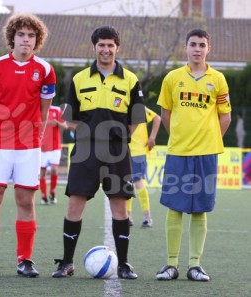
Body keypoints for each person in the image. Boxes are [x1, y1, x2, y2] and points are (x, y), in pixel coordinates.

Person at [51, 25, 145, 279]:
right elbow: (68, 118)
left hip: (116, 152)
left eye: (110, 44)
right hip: (86, 151)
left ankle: (124, 264)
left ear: (117, 47)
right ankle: (66, 263)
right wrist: (87, 132)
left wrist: (122, 136)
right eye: (101, 45)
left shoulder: (130, 79)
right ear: (95, 47)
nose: (106, 49)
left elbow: (137, 117)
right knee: (74, 206)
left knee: (120, 208)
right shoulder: (80, 78)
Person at [0, 13, 56, 277]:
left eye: (31, 35)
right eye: (21, 34)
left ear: (37, 40)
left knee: (26, 200)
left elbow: (44, 110)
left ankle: (25, 260)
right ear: (12, 37)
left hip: (29, 146)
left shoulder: (45, 69)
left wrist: (34, 134)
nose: (25, 39)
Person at [155, 29, 231, 282]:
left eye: (202, 45)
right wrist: (179, 136)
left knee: (200, 209)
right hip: (178, 152)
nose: (197, 49)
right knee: (174, 208)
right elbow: (165, 114)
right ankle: (171, 264)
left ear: (208, 48)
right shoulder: (172, 78)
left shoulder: (218, 79)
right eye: (193, 44)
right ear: (185, 48)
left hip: (206, 154)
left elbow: (225, 116)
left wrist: (208, 140)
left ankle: (195, 265)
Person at [127, 107, 161, 228]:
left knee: (137, 182)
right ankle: (128, 216)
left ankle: (147, 216)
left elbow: (157, 118)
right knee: (127, 183)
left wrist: (152, 138)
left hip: (138, 151)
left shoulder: (139, 107)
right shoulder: (120, 104)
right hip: (124, 151)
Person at [40, 105, 68, 205]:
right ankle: (43, 196)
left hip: (55, 146)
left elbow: (65, 126)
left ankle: (53, 193)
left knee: (54, 170)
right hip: (41, 147)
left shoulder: (57, 110)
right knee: (42, 173)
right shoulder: (37, 109)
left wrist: (57, 123)